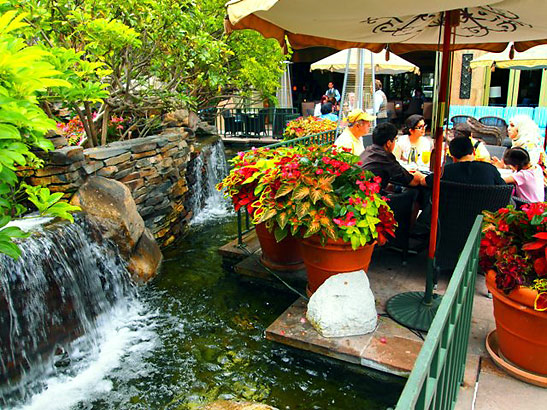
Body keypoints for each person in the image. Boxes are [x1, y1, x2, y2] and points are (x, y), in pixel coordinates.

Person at [360, 122, 426, 191]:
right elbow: (412, 181)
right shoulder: (385, 157)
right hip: (366, 197)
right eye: (395, 139)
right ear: (388, 143)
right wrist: (420, 176)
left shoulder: (368, 150)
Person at [422, 137, 505, 187]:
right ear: (474, 151)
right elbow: (505, 189)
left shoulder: (446, 171)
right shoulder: (489, 169)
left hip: (450, 214)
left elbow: (425, 182)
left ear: (453, 156)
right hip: (484, 215)